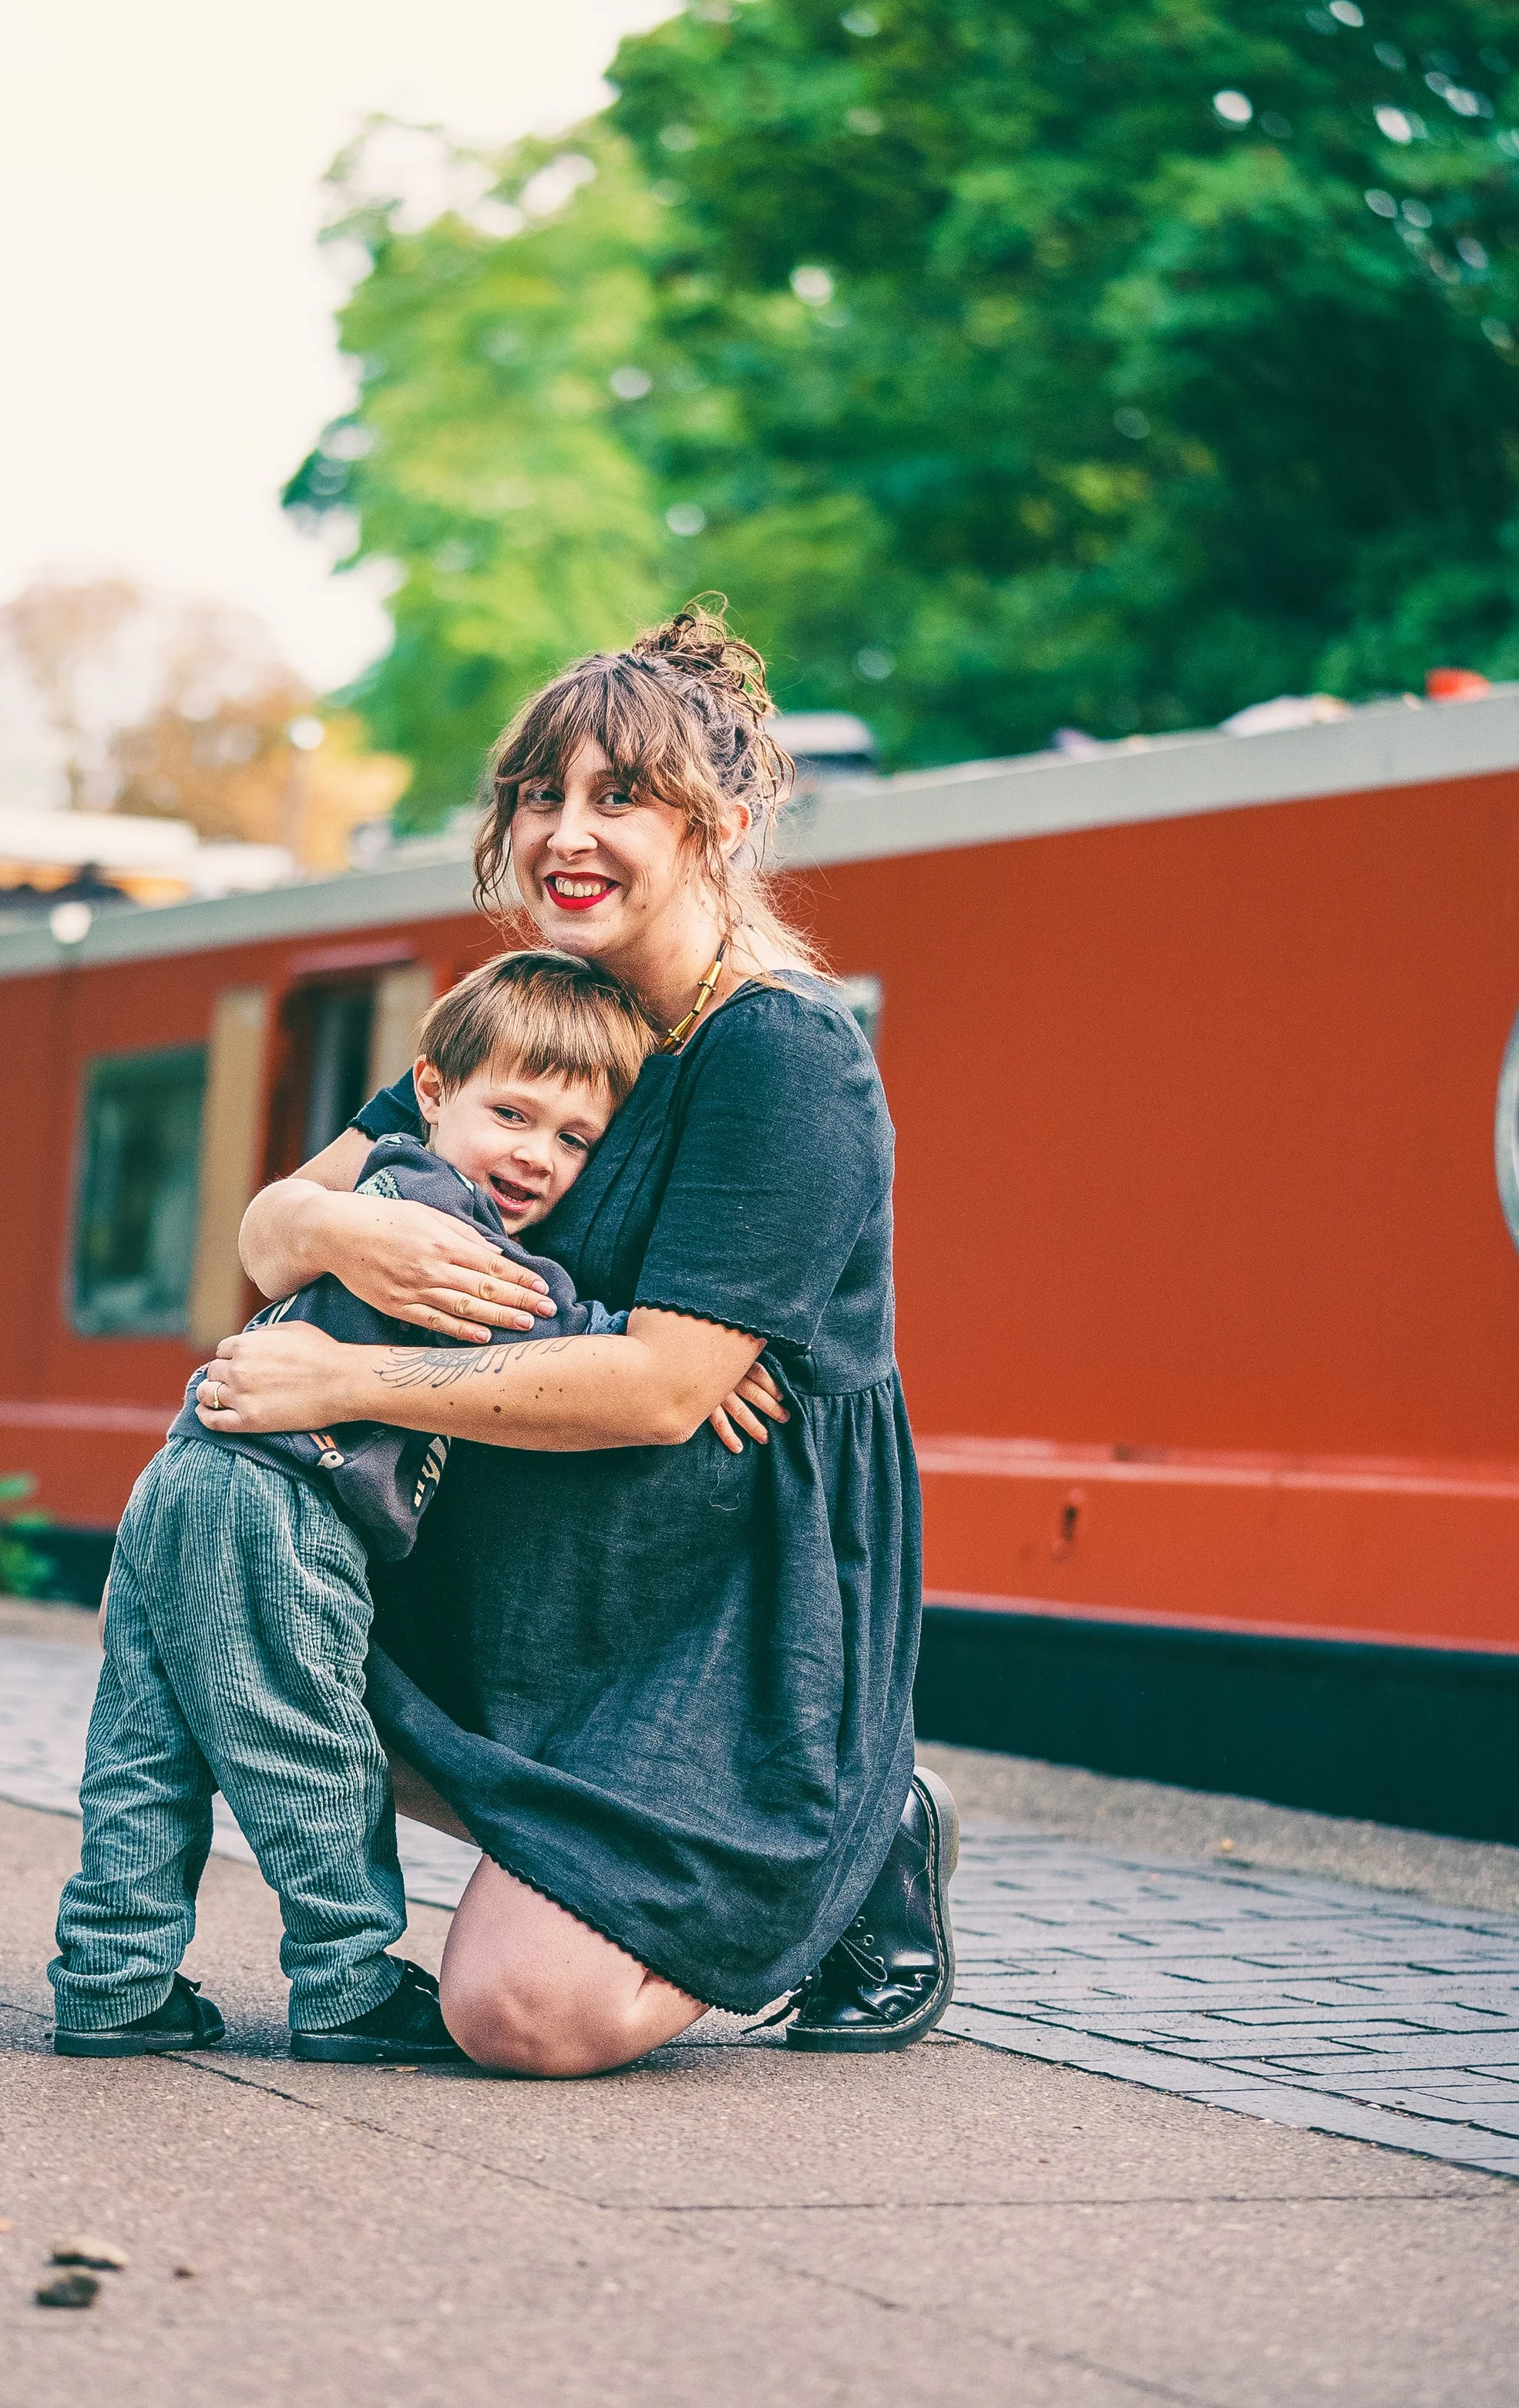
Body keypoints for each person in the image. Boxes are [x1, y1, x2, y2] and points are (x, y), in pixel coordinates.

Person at [201, 601, 956, 2077]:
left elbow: (669, 1388)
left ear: (723, 826)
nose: (566, 832)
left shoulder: (781, 1056)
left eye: (621, 798)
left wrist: (343, 1376)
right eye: (542, 794)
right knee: (238, 1624)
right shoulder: (546, 1016)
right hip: (536, 1561)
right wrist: (352, 1231)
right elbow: (269, 1227)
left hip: (723, 1604)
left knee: (521, 2018)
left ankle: (859, 1830)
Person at [49, 950, 667, 2064]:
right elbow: (544, 1328)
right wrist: (652, 1343)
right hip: (283, 1500)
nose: (535, 1155)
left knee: (149, 1742)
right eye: (513, 1114)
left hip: (189, 1474)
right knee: (312, 1740)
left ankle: (113, 1977)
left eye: (573, 1140)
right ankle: (347, 1981)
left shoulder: (376, 1184)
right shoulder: (440, 1216)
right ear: (433, 1093)